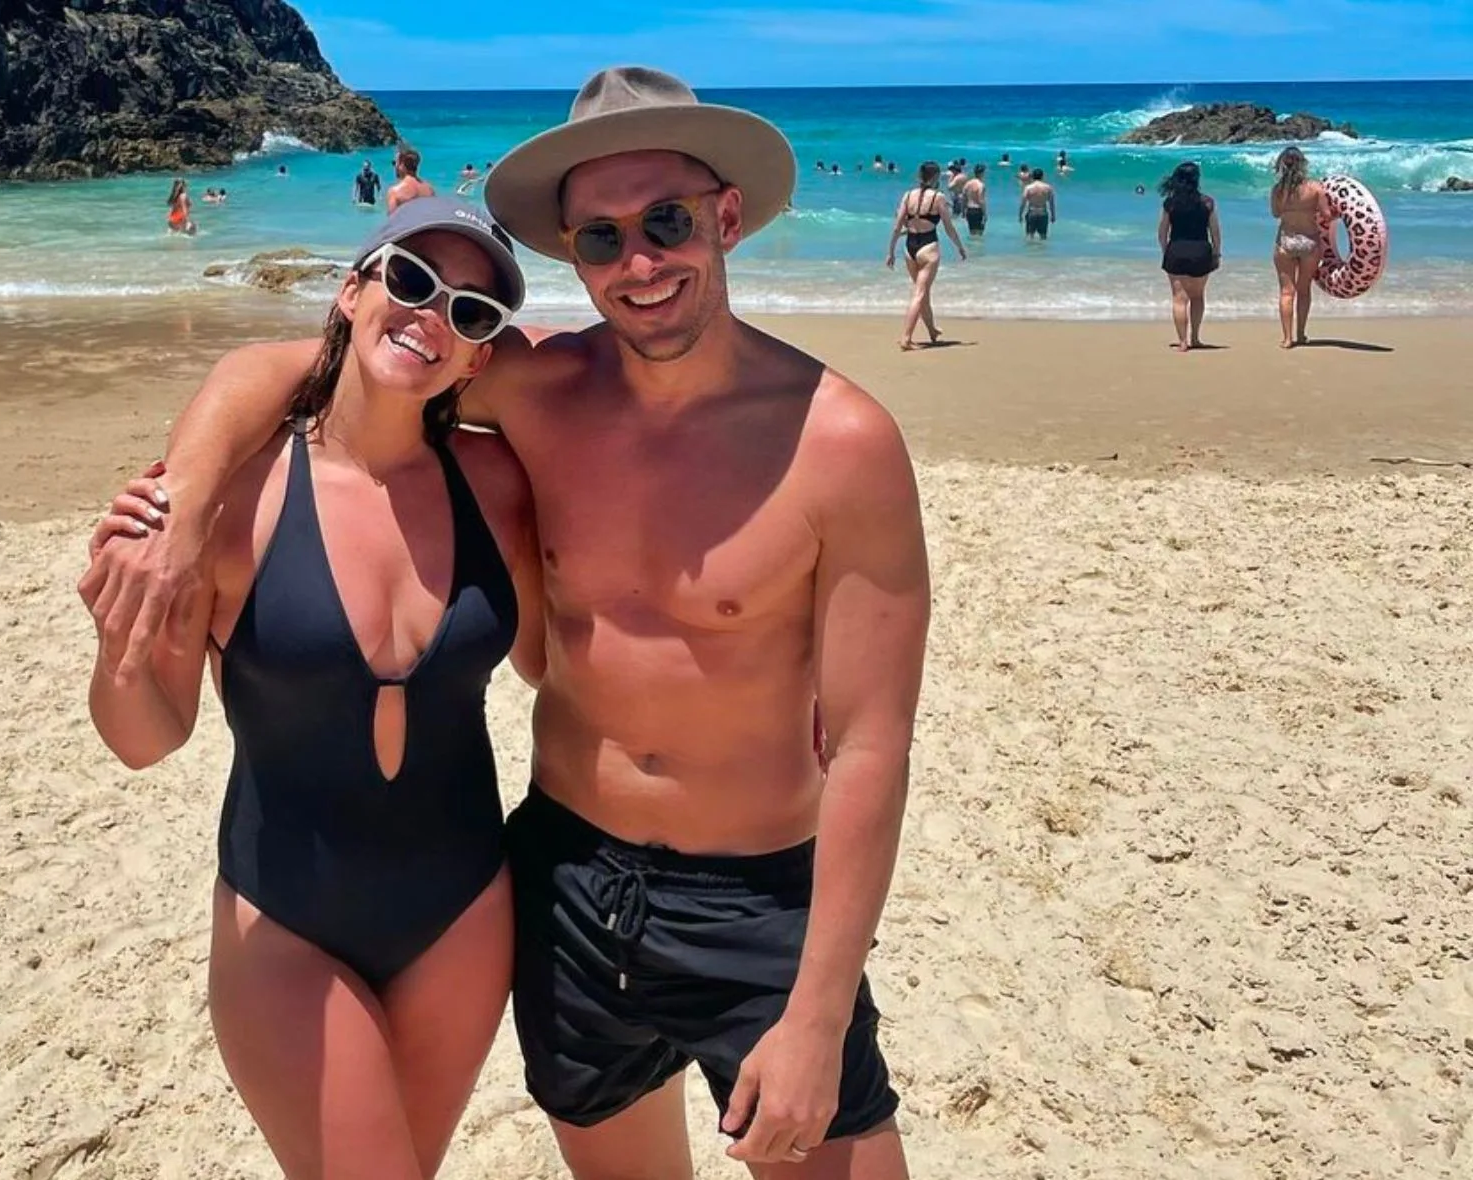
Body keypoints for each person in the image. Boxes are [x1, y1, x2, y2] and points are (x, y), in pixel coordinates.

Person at [84, 65, 928, 1179]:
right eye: (600, 239)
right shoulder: (538, 395)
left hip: (757, 898)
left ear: (727, 216)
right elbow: (329, 366)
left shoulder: (842, 444)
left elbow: (871, 743)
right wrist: (185, 505)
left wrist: (819, 1015)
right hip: (568, 882)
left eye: (666, 221)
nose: (639, 263)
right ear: (573, 254)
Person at [84, 196, 545, 1178]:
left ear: (478, 359)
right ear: (350, 295)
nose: (433, 316)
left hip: (464, 908)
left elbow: (559, 653)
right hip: (283, 918)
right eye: (412, 282)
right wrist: (117, 638)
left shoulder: (499, 490)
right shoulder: (236, 497)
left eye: (472, 314)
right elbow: (145, 736)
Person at [886, 161, 969, 351]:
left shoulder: (908, 196)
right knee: (920, 293)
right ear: (934, 177)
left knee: (922, 292)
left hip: (909, 247)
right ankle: (906, 339)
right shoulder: (938, 197)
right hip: (928, 247)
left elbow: (897, 226)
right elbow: (948, 227)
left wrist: (890, 251)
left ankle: (932, 330)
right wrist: (960, 247)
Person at [1270, 146, 1333, 349]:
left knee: (1286, 292)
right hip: (1309, 241)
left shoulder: (1278, 190)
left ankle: (1287, 339)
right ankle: (1301, 334)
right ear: (1302, 164)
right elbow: (1327, 215)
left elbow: (1275, 214)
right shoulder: (1315, 188)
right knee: (1303, 290)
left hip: (1286, 241)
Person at [1156, 162, 1221, 353]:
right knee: (1197, 296)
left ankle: (1183, 341)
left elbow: (1162, 232)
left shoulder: (1170, 203)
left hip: (1176, 250)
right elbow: (1215, 232)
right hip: (1201, 251)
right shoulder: (1207, 202)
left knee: (1179, 299)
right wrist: (1217, 253)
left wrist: (1165, 251)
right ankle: (1195, 338)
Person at [387, 147, 435, 214]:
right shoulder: (429, 189)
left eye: (394, 163)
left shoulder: (395, 192)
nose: (394, 166)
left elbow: (393, 222)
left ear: (401, 164)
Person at [1020, 167, 1056, 240]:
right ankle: (1042, 251)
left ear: (1032, 176)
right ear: (1042, 176)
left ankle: (1030, 251)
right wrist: (1053, 215)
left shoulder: (1028, 188)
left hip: (1032, 212)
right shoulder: (1048, 188)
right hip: (1043, 213)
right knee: (1043, 236)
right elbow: (1051, 203)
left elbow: (1023, 203)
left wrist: (1020, 215)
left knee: (1030, 236)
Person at [962, 164, 988, 237]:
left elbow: (964, 198)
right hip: (977, 210)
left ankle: (972, 248)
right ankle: (977, 248)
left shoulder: (968, 184)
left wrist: (963, 211)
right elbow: (981, 200)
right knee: (979, 234)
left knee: (972, 233)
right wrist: (985, 214)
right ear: (981, 173)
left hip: (969, 210)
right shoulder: (981, 185)